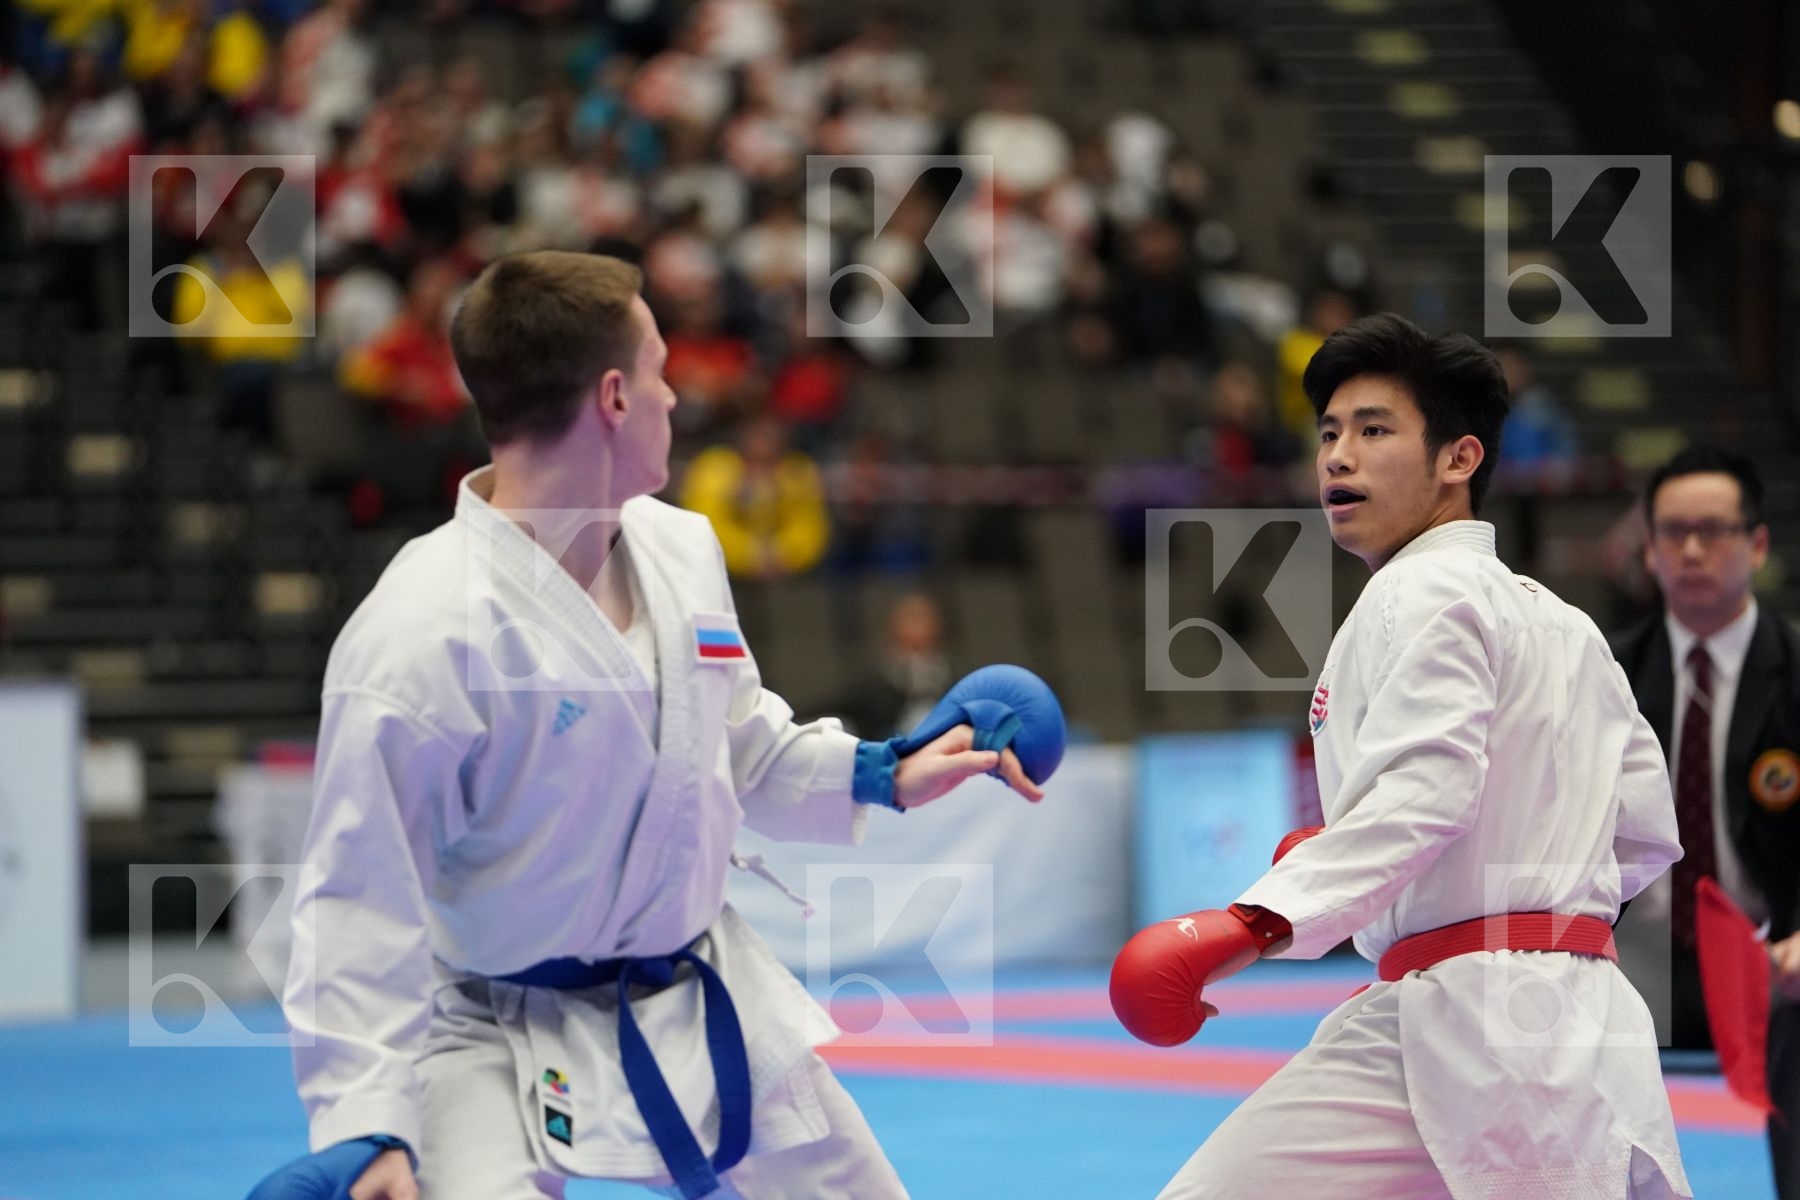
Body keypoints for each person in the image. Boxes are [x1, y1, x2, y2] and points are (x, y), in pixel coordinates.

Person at [260, 251, 1052, 1200]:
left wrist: (884, 770)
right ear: (613, 399)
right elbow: (358, 894)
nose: (676, 396)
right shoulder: (421, 633)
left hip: (698, 987)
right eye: (659, 371)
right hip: (490, 1029)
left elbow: (741, 739)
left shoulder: (682, 547)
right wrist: (366, 1124)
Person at [1109, 313, 1692, 1199]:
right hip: (1576, 1012)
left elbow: (1427, 793)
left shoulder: (1419, 590)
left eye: (1375, 430)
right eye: (1330, 434)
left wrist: (1254, 921)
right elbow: (1646, 833)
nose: (1338, 457)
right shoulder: (1567, 624)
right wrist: (1506, 897)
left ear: (1460, 459)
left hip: (1473, 1019)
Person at [1611, 446, 1800, 1200]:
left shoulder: (1794, 672)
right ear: (1649, 549)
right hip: (1635, 955)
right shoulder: (1604, 673)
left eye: (1715, 531)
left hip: (1770, 954)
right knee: (1518, 1014)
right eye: (1674, 532)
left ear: (1756, 544)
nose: (1692, 550)